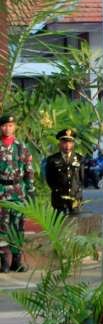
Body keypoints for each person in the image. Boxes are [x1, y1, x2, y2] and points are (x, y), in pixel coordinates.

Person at [0, 113, 34, 273]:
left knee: (18, 225)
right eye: (5, 125)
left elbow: (28, 171)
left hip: (18, 192)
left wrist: (31, 191)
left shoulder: (21, 147)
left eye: (11, 125)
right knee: (3, 226)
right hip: (1, 192)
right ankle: (4, 260)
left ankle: (17, 260)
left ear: (15, 127)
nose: (8, 128)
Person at [44, 128, 83, 216]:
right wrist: (57, 190)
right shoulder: (52, 159)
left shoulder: (80, 159)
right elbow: (49, 179)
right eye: (65, 142)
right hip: (59, 198)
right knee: (60, 224)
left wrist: (77, 191)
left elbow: (82, 178)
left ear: (73, 143)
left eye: (70, 142)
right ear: (59, 143)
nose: (67, 145)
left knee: (75, 223)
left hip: (75, 197)